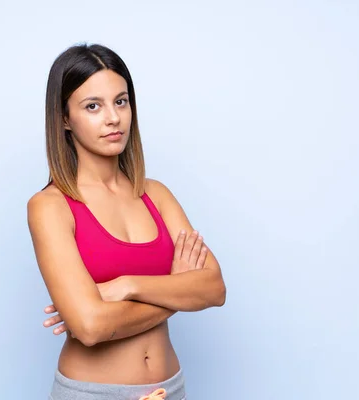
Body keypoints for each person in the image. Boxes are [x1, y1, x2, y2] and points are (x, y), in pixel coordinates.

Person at [26, 43, 226, 400]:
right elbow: (89, 327)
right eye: (93, 106)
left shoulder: (156, 194)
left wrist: (127, 285)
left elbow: (214, 289)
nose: (113, 118)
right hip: (93, 393)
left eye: (121, 101)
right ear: (64, 119)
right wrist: (177, 290)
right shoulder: (50, 206)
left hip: (170, 388)